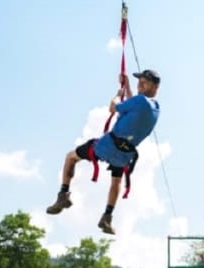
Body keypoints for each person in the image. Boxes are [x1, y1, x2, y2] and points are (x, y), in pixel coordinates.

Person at [46, 69, 161, 235]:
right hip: (124, 155)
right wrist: (128, 85)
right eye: (139, 81)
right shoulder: (155, 108)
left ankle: (63, 195)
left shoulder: (139, 101)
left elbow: (113, 108)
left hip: (107, 146)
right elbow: (134, 105)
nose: (140, 84)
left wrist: (117, 94)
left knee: (70, 157)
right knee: (116, 181)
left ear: (155, 86)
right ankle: (107, 217)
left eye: (144, 82)